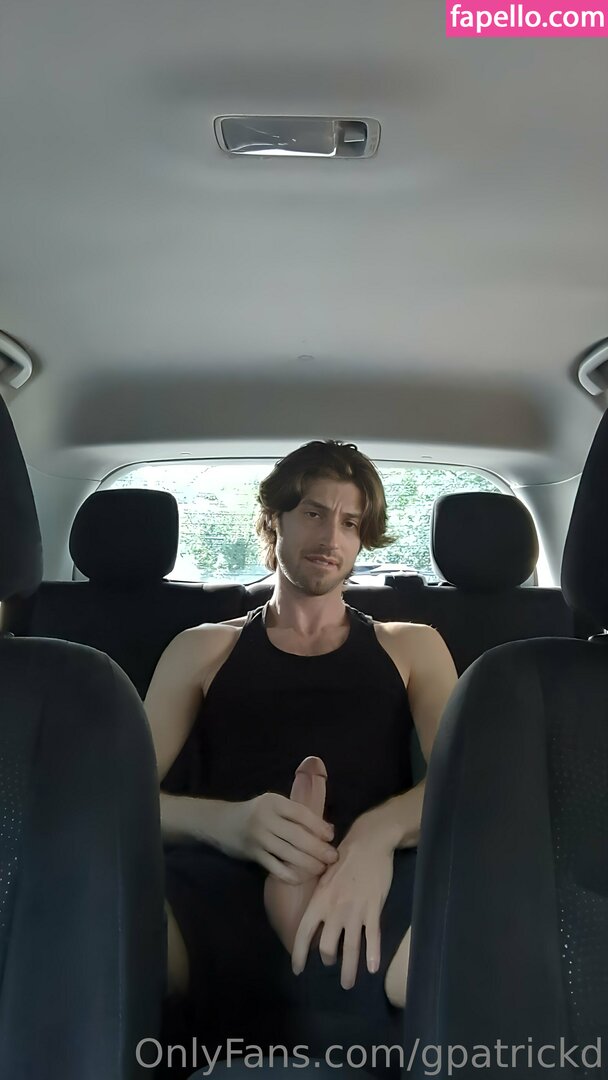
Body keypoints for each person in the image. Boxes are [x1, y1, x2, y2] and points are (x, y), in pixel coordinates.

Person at [145, 440, 457, 1072]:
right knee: (107, 918)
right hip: (222, 879)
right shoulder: (202, 648)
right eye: (314, 513)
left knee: (466, 934)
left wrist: (376, 835)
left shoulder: (412, 647)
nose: (331, 537)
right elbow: (115, 800)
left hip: (376, 881)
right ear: (275, 519)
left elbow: (467, 785)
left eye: (350, 522)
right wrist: (226, 824)